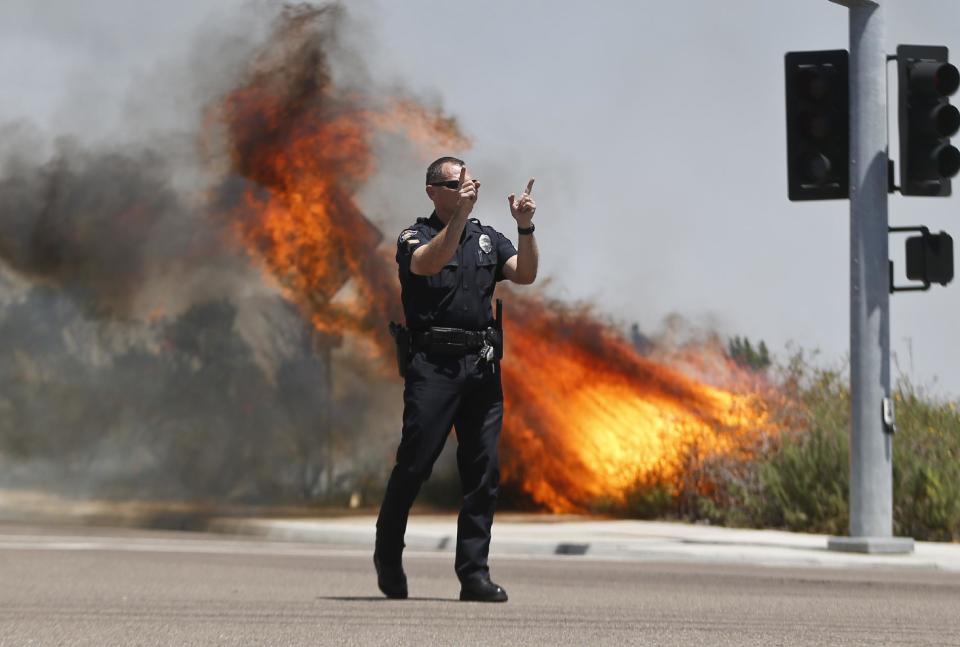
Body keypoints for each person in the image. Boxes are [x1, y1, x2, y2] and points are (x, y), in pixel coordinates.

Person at [375, 156, 539, 602]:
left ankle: (474, 574)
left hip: (481, 368)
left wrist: (525, 227)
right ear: (433, 190)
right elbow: (429, 264)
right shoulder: (416, 236)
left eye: (469, 180)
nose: (467, 187)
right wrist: (461, 216)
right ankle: (388, 556)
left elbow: (524, 274)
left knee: (483, 471)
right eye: (456, 182)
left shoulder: (488, 239)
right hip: (434, 368)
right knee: (415, 464)